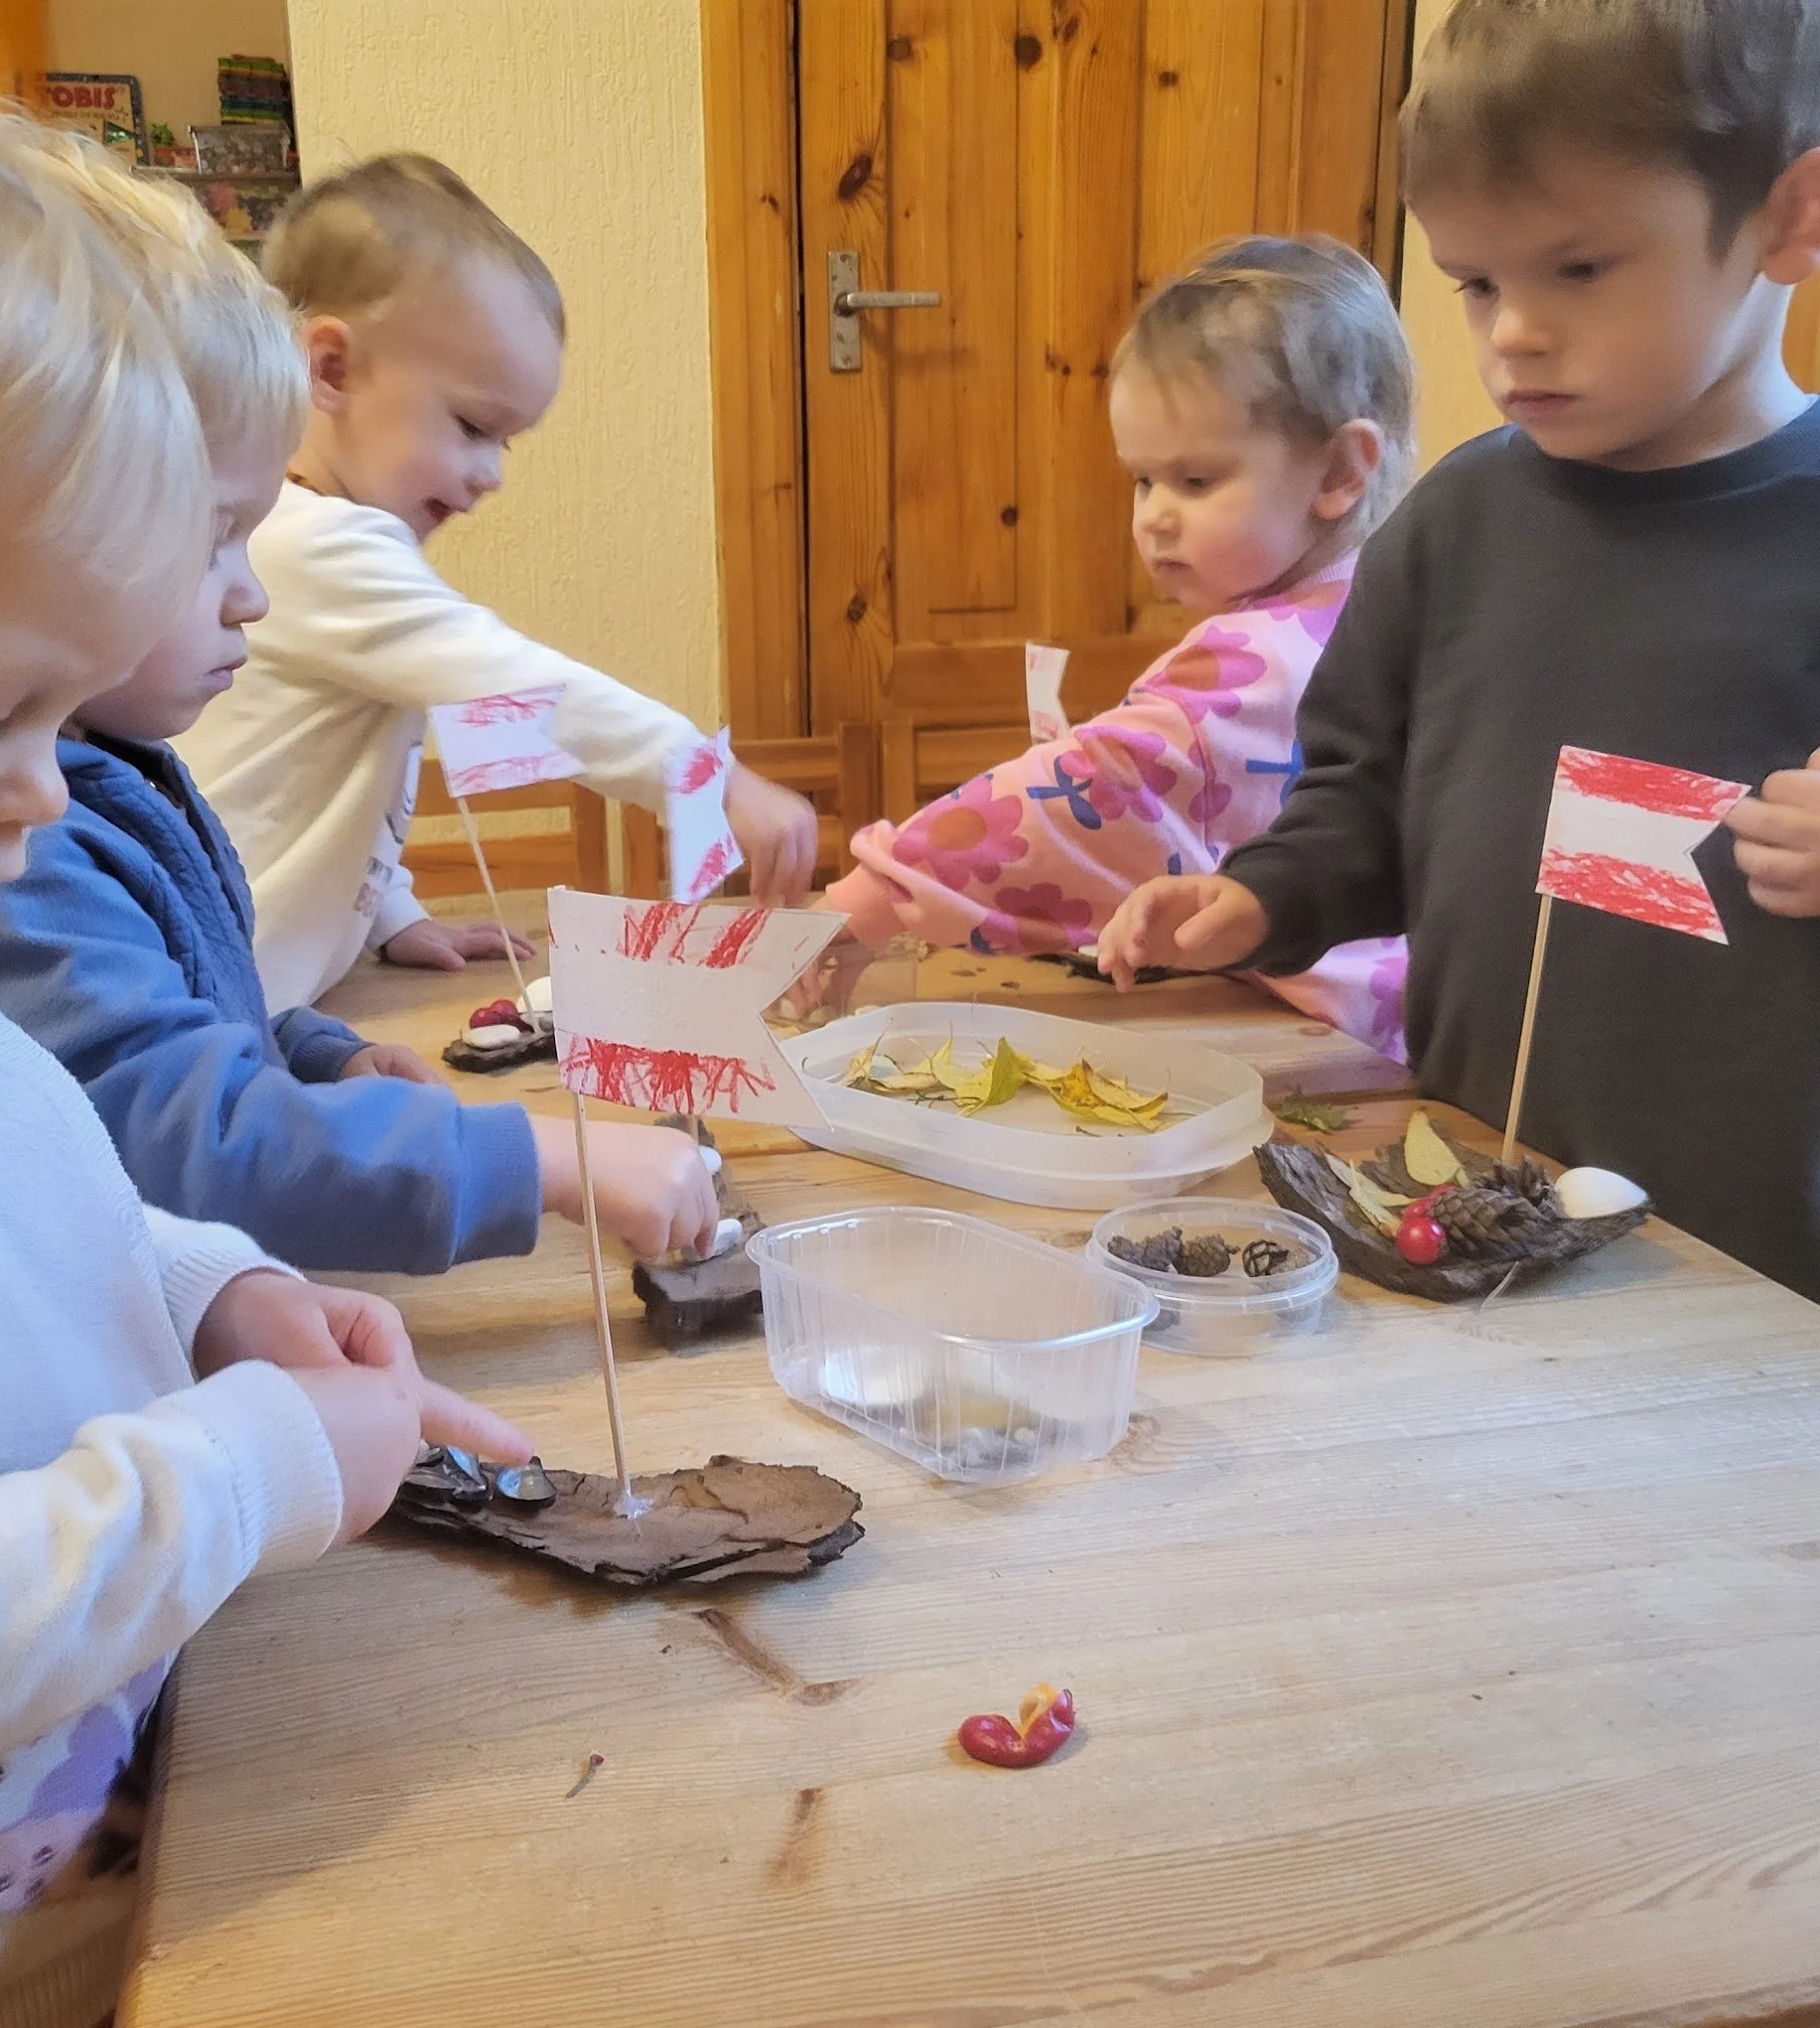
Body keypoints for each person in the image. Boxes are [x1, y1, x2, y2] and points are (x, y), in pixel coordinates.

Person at [0, 69, 525, 2028]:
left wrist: (218, 1297)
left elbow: (40, 1205)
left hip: (142, 1899)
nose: (41, 802)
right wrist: (255, 1461)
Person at [1100, 0, 1820, 1296]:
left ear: (1787, 218)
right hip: (1475, 1202)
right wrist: (1262, 897)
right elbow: (1365, 802)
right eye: (1475, 283)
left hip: (1756, 1270)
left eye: (1578, 269)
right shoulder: (1455, 522)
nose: (1509, 336)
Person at [0, 144, 720, 1276]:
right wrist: (543, 1159)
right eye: (212, 539)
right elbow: (186, 1133)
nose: (250, 592)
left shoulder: (120, 767)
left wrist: (312, 1048)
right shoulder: (20, 844)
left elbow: (200, 992)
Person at [173, 153, 819, 1014]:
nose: (490, 475)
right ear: (328, 369)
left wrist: (389, 914)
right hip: (214, 1015)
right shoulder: (314, 545)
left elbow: (320, 780)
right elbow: (518, 687)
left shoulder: (306, 542)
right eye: (474, 426)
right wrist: (708, 778)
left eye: (505, 441)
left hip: (274, 1000)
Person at [819, 236, 1413, 1057]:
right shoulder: (1384, 605)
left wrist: (867, 899)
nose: (1153, 516)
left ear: (1341, 471)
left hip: (1330, 1048)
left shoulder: (1256, 657)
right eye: (1142, 479)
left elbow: (1092, 786)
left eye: (1195, 480)